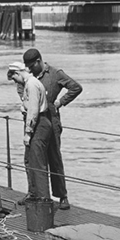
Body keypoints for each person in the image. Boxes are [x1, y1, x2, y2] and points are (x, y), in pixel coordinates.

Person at [23, 48, 82, 210]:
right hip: (34, 120)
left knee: (54, 157)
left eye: (31, 66)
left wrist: (60, 102)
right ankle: (33, 192)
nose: (29, 69)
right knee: (30, 158)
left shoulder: (55, 74)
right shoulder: (30, 77)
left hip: (52, 119)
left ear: (38, 61)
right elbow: (22, 90)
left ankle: (62, 196)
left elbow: (75, 87)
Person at [7, 62, 51, 202]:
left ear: (17, 73)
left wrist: (28, 132)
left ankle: (43, 200)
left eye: (14, 79)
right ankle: (33, 194)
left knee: (38, 163)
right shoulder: (30, 83)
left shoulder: (31, 85)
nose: (16, 83)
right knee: (29, 160)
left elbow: (33, 111)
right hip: (39, 123)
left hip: (39, 124)